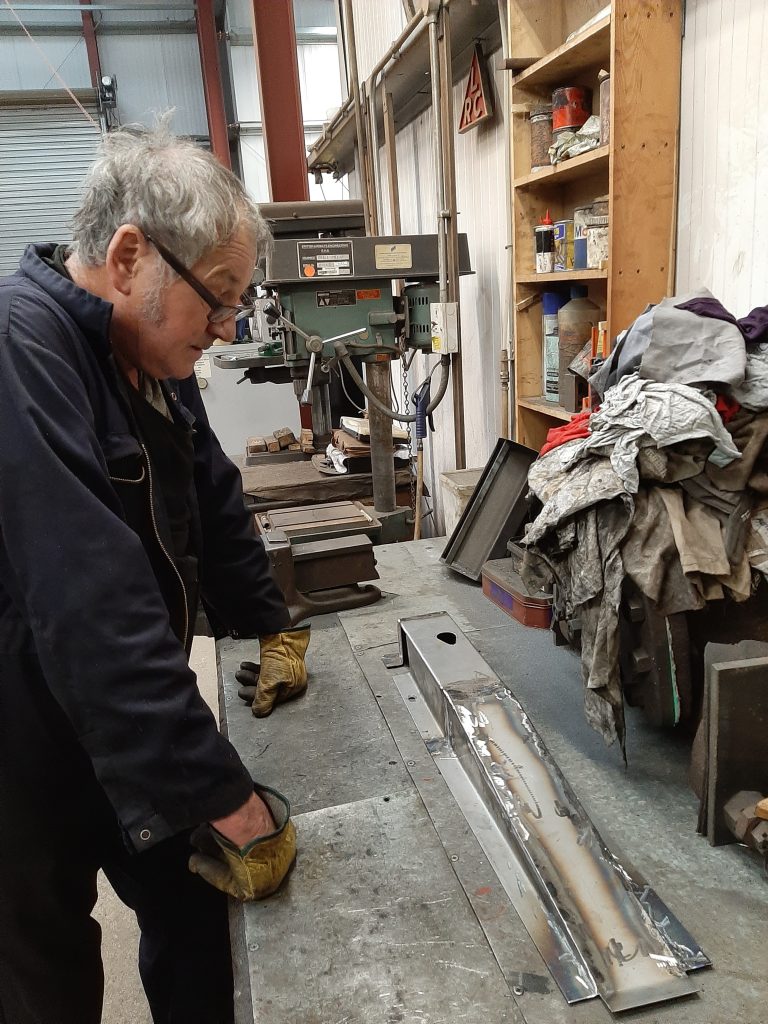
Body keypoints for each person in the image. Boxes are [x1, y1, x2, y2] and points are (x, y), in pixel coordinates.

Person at [0, 123, 310, 1024]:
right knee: (47, 977)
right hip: (22, 735)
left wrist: (270, 621)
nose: (226, 326)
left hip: (117, 712)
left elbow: (209, 488)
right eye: (218, 296)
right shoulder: (22, 349)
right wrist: (226, 798)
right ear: (130, 256)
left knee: (195, 916)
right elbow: (91, 601)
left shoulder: (142, 350)